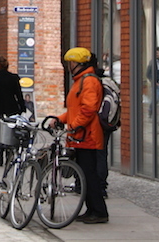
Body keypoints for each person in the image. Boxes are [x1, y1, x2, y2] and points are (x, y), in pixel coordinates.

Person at [57, 47, 108, 225]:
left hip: (88, 136)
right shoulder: (80, 81)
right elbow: (75, 110)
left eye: (71, 63)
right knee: (84, 176)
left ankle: (99, 211)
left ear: (79, 64)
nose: (69, 66)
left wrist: (73, 126)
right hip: (80, 136)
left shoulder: (89, 81)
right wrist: (60, 119)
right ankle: (91, 209)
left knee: (89, 175)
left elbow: (88, 109)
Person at [0, 55, 27, 166]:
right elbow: (18, 94)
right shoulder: (13, 78)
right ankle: (9, 156)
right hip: (11, 108)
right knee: (10, 132)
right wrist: (22, 107)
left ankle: (0, 158)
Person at [146, 47, 159, 127]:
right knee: (155, 100)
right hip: (155, 83)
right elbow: (148, 74)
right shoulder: (152, 63)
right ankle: (150, 112)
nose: (157, 54)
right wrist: (153, 81)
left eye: (158, 52)